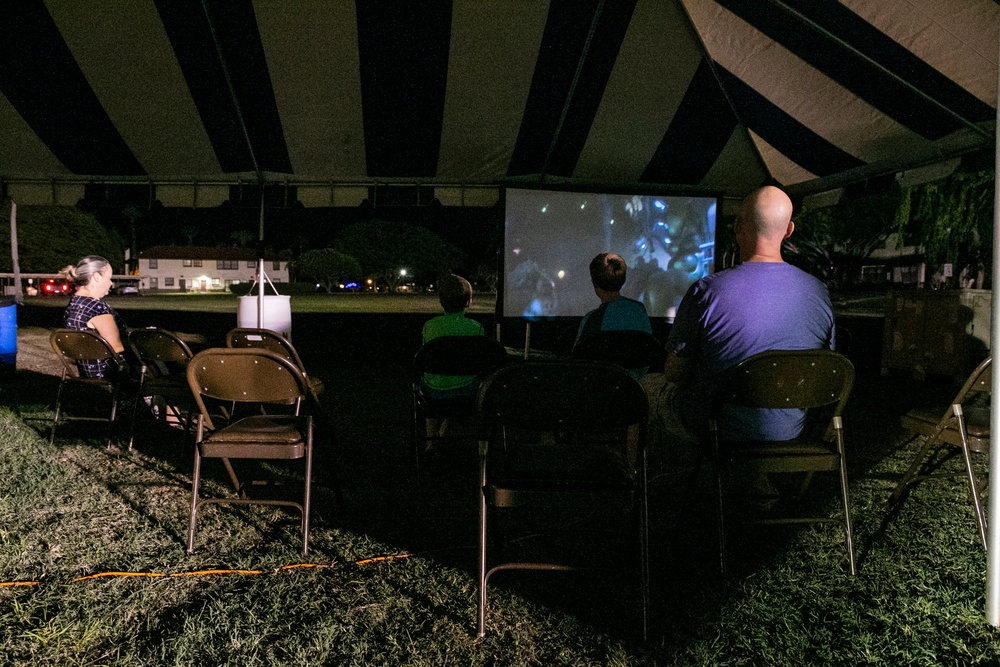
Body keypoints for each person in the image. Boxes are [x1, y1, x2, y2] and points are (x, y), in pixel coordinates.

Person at [644, 185, 835, 447]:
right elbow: (824, 370)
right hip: (791, 431)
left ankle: (643, 481)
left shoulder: (706, 291)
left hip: (715, 428)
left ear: (738, 226)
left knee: (646, 388)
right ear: (789, 230)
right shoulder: (819, 292)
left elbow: (675, 373)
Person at [59, 256, 129, 378]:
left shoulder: (73, 305)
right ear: (97, 277)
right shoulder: (97, 308)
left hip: (86, 372)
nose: (111, 284)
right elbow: (116, 347)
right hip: (109, 374)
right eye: (109, 278)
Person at [420, 274, 486, 398]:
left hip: (434, 389)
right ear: (468, 302)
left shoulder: (429, 325)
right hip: (466, 388)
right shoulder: (476, 327)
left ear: (441, 301)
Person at [573, 252, 652, 349]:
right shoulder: (639, 309)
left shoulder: (592, 319)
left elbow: (580, 356)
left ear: (594, 283)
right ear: (623, 279)